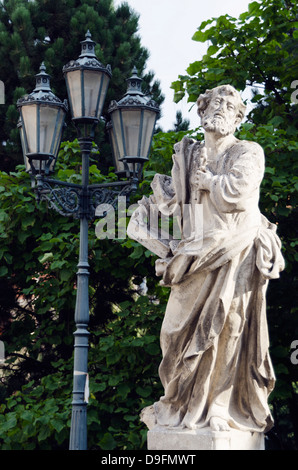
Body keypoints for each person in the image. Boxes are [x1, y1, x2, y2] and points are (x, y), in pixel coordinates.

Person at [129, 84, 285, 433]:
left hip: (235, 249)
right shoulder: (189, 156)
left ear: (237, 118)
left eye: (229, 107)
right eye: (214, 104)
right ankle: (179, 401)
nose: (220, 110)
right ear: (201, 113)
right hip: (193, 253)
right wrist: (151, 209)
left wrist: (209, 181)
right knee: (173, 332)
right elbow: (175, 200)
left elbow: (239, 193)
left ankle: (218, 406)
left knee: (228, 328)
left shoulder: (248, 151)